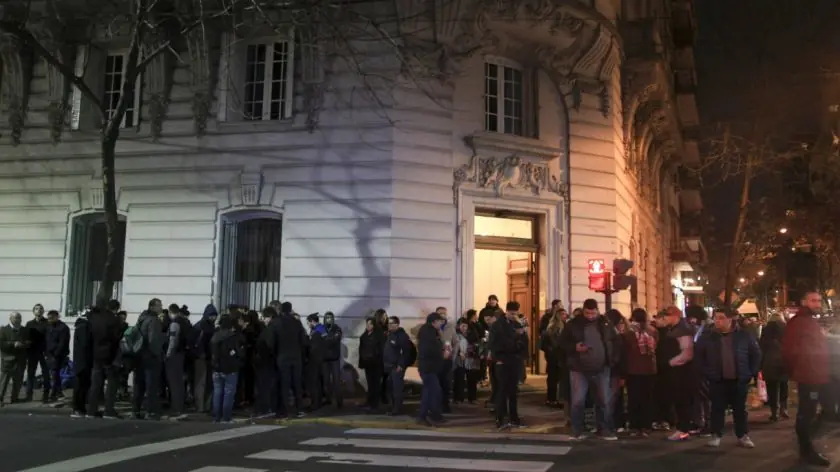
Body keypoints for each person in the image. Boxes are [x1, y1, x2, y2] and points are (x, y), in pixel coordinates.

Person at [695, 307, 760, 448]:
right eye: (716, 318)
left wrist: (750, 373)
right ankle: (716, 435)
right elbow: (699, 358)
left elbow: (756, 354)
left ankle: (742, 435)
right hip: (717, 380)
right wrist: (708, 373)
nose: (717, 321)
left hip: (739, 380)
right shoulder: (707, 337)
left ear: (730, 319)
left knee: (740, 410)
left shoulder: (743, 336)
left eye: (721, 318)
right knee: (717, 409)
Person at [782, 291, 831, 466]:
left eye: (818, 300)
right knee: (807, 413)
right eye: (813, 300)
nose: (817, 303)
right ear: (804, 302)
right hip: (809, 375)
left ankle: (807, 444)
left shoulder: (811, 322)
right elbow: (789, 351)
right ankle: (806, 449)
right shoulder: (798, 323)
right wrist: (800, 370)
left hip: (818, 374)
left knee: (821, 411)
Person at [559, 299, 618, 440]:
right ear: (583, 310)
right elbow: (561, 343)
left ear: (597, 311)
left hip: (601, 367)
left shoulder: (605, 323)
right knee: (578, 400)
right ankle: (576, 430)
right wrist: (574, 348)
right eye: (587, 313)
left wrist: (613, 360)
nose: (590, 316)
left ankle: (603, 429)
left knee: (603, 400)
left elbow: (615, 341)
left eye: (593, 313)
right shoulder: (573, 324)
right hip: (579, 368)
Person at [658, 306, 695, 441]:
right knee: (679, 400)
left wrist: (669, 363)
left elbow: (687, 353)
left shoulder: (682, 330)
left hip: (681, 371)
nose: (664, 318)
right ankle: (682, 427)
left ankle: (683, 429)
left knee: (682, 400)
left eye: (667, 316)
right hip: (676, 370)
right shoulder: (674, 329)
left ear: (675, 315)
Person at [490, 301, 526, 430]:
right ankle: (500, 418)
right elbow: (494, 344)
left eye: (515, 313)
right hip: (502, 361)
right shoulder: (497, 325)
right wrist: (498, 358)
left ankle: (514, 418)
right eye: (511, 313)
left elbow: (523, 342)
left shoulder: (517, 324)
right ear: (506, 311)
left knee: (513, 392)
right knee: (502, 391)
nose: (513, 316)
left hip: (514, 361)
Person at [623, 308, 658, 436]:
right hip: (650, 369)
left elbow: (626, 350)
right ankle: (646, 425)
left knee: (634, 399)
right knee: (647, 399)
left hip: (633, 369)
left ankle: (635, 425)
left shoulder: (629, 332)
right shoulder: (653, 331)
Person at [87, 305, 122, 418]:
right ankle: (109, 409)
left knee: (96, 384)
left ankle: (92, 409)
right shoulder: (113, 319)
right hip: (109, 356)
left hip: (96, 355)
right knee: (111, 384)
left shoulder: (93, 319)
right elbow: (116, 339)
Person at [210, 314, 245, 423]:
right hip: (230, 368)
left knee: (217, 392)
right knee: (228, 393)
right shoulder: (232, 337)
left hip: (216, 368)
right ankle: (226, 417)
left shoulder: (215, 336)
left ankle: (216, 417)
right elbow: (239, 352)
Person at [417, 312, 446, 426]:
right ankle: (423, 416)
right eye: (439, 321)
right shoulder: (428, 333)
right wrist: (442, 353)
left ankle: (435, 415)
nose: (441, 324)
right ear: (434, 322)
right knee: (430, 392)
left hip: (430, 367)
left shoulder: (430, 332)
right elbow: (429, 350)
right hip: (428, 367)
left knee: (433, 392)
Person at [760, 312, 789, 422]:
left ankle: (774, 412)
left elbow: (761, 348)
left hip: (769, 362)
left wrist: (760, 364)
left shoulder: (765, 330)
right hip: (783, 362)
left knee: (772, 388)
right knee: (784, 386)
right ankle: (783, 408)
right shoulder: (786, 329)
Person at [383, 316, 412, 415]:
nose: (389, 325)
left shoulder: (402, 336)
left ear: (397, 324)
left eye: (391, 324)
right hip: (388, 366)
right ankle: (392, 407)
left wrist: (401, 365)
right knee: (390, 387)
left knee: (397, 389)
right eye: (388, 324)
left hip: (396, 367)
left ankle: (397, 409)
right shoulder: (389, 335)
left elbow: (406, 352)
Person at [0, 312, 28, 406]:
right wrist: (13, 344)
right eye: (16, 318)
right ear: (10, 318)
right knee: (4, 381)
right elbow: (1, 344)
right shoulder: (3, 329)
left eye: (19, 318)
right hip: (7, 359)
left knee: (18, 380)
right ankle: (0, 399)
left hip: (20, 360)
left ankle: (14, 398)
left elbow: (29, 342)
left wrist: (24, 344)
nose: (18, 320)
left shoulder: (24, 330)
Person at [358, 317, 384, 411]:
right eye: (367, 324)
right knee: (370, 383)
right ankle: (369, 401)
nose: (368, 326)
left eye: (370, 324)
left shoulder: (378, 335)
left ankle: (374, 404)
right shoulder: (365, 335)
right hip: (367, 363)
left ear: (374, 325)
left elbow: (381, 350)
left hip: (375, 363)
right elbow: (361, 349)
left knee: (375, 384)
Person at [24, 304, 48, 403]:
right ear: (33, 311)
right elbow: (26, 337)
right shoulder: (29, 323)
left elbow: (49, 338)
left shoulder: (47, 323)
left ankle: (45, 395)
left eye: (41, 309)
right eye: (37, 309)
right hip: (32, 352)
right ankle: (28, 395)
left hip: (44, 352)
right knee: (30, 373)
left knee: (46, 374)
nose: (39, 310)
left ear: (43, 311)